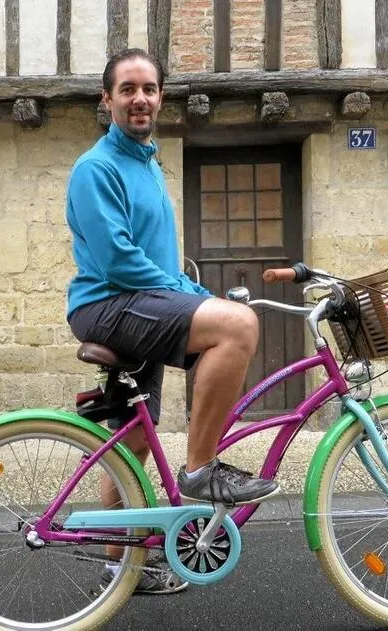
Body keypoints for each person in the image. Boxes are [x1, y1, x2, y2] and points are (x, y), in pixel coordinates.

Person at [65, 49, 280, 594]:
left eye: (150, 89)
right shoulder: (97, 167)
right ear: (107, 99)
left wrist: (184, 289)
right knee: (237, 326)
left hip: (138, 303)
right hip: (111, 303)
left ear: (161, 97)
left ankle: (121, 569)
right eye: (128, 89)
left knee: (133, 443)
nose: (141, 98)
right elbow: (118, 260)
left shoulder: (145, 162)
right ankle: (201, 467)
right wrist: (192, 292)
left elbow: (155, 260)